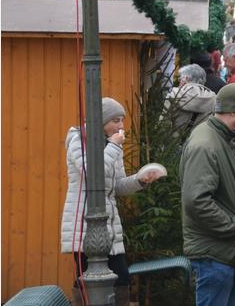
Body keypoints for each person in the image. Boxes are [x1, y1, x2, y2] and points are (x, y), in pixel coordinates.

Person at [61, 97, 161, 305]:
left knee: (121, 278)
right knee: (87, 279)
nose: (121, 125)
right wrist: (114, 146)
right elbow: (92, 174)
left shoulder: (112, 144)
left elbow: (117, 186)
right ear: (101, 121)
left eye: (122, 120)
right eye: (116, 120)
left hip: (109, 224)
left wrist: (140, 180)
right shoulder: (79, 139)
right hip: (85, 223)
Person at [180, 84, 235, 306]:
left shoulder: (220, 139)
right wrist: (232, 226)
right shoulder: (206, 144)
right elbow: (196, 200)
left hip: (225, 252)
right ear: (233, 111)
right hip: (216, 255)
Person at [163, 63, 217, 132]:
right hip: (201, 138)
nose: (179, 82)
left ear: (186, 78)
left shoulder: (174, 94)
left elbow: (163, 123)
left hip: (175, 138)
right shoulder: (213, 98)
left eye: (180, 79)